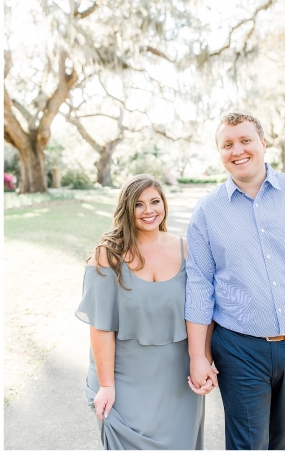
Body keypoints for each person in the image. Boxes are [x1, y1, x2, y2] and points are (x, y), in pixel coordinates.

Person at [185, 110, 285, 450]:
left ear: (263, 144)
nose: (237, 150)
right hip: (240, 349)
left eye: (244, 140)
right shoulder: (207, 212)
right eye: (227, 144)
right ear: (220, 152)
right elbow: (199, 287)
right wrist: (198, 356)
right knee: (247, 446)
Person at [75, 174, 210, 449]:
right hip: (123, 380)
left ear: (164, 204)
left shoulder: (187, 250)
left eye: (155, 202)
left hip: (177, 382)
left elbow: (202, 312)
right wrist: (107, 385)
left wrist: (204, 359)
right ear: (126, 208)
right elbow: (101, 327)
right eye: (138, 204)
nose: (149, 211)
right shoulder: (107, 255)